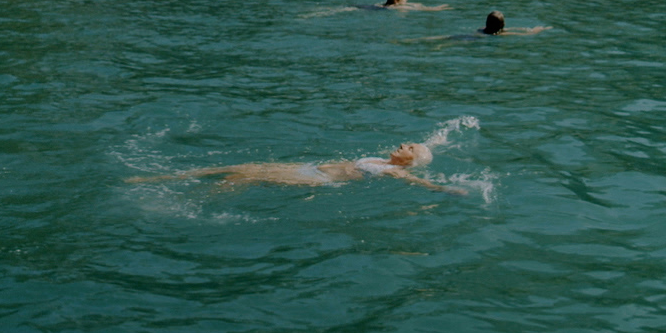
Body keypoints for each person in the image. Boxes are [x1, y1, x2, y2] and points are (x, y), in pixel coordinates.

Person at [129, 141, 466, 193]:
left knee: (241, 178)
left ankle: (187, 201)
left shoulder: (396, 171)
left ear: (409, 160)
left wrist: (446, 189)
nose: (403, 144)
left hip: (315, 181)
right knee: (241, 165)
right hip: (310, 167)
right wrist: (438, 140)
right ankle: (163, 177)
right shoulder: (383, 159)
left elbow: (420, 183)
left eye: (409, 147)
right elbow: (428, 147)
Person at [479, 10, 550, 36]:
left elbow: (508, 29)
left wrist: (525, 29)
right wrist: (535, 31)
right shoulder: (499, 34)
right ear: (503, 25)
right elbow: (522, 34)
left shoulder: (482, 29)